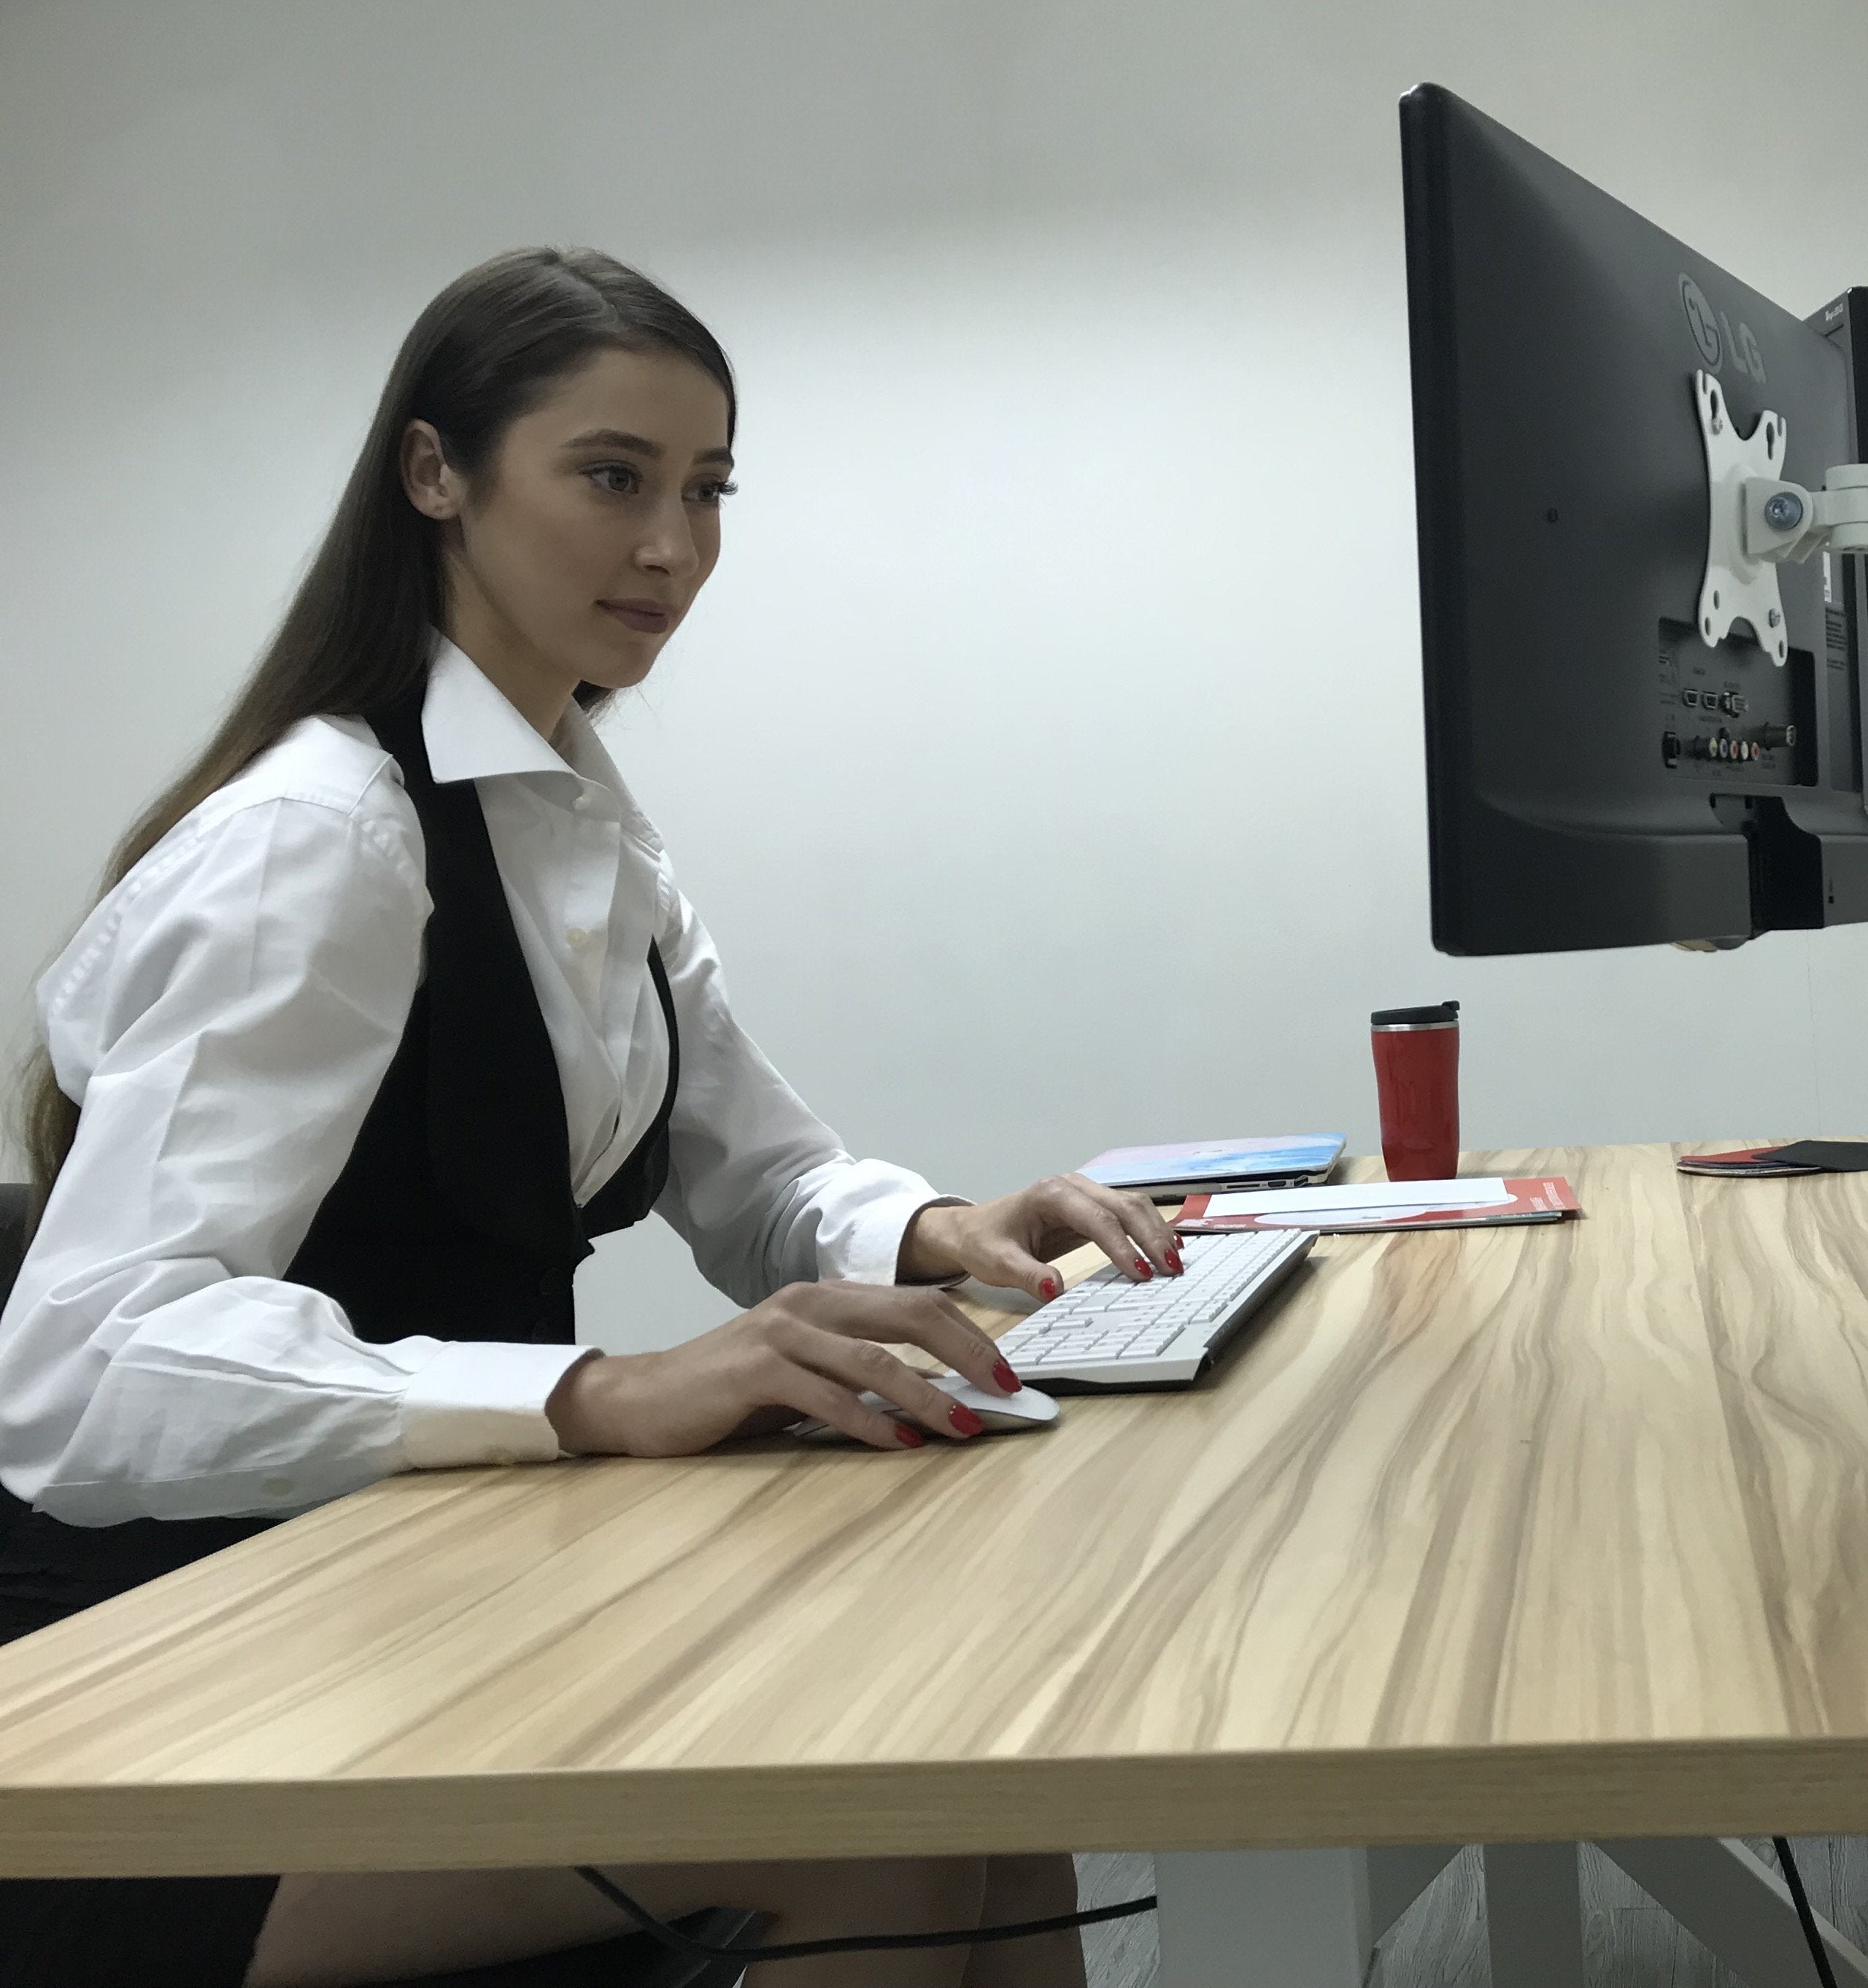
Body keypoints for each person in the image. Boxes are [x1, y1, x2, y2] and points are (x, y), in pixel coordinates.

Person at [0, 247, 1181, 1988]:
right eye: (614, 478)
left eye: (707, 490)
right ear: (436, 475)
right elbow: (84, 1369)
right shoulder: (321, 838)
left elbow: (759, 1174)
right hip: (165, 1703)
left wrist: (945, 1233)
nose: (673, 546)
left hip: (430, 1600)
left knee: (984, 1759)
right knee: (890, 1817)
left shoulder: (577, 818)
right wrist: (598, 1392)